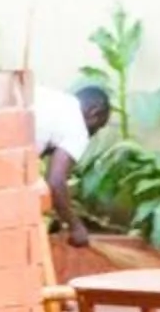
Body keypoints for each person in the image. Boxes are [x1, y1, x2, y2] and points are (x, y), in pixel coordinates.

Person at [37, 83, 112, 248]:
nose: (92, 135)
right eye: (97, 128)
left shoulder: (51, 99)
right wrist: (75, 226)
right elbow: (56, 182)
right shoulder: (78, 126)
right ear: (94, 113)